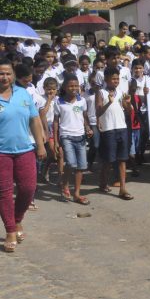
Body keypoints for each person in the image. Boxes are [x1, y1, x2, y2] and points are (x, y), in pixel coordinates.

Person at [0, 58, 46, 252]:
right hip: (1, 153)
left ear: (13, 75)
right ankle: (10, 229)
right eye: (1, 73)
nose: (4, 77)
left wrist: (40, 145)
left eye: (8, 73)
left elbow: (34, 120)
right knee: (4, 193)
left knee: (28, 188)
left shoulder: (23, 93)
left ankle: (17, 218)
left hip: (25, 149)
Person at [53, 74, 93, 204]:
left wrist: (88, 128)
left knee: (81, 166)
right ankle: (65, 184)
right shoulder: (58, 102)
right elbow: (55, 122)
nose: (74, 88)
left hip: (80, 136)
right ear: (64, 87)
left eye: (76, 86)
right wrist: (56, 141)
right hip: (66, 136)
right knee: (71, 163)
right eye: (71, 86)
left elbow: (84, 117)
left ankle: (76, 194)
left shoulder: (82, 101)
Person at [96, 67, 133, 200]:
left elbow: (128, 111)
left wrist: (128, 103)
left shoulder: (121, 92)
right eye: (113, 79)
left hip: (122, 128)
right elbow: (98, 112)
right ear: (106, 79)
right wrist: (109, 103)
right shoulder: (101, 93)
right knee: (108, 160)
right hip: (108, 129)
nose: (116, 81)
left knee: (122, 159)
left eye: (117, 78)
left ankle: (123, 188)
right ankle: (103, 182)